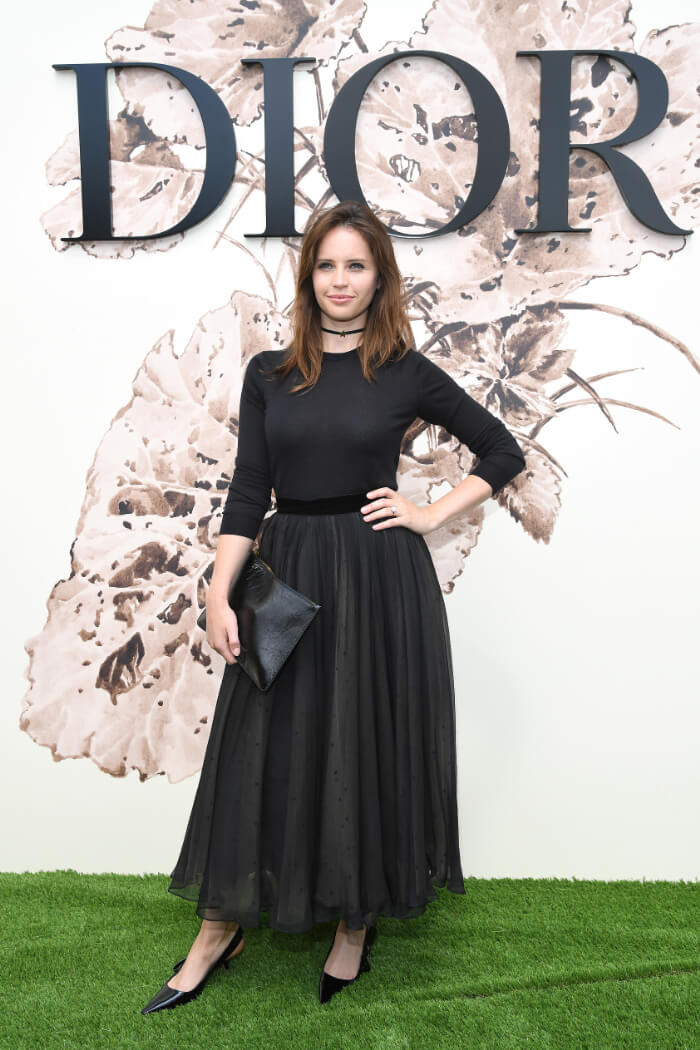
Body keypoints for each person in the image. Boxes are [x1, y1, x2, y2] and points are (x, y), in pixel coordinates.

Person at [141, 200, 526, 1014]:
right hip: (288, 572)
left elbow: (503, 449)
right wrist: (217, 591)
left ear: (379, 276)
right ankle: (218, 929)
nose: (340, 280)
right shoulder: (269, 374)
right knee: (259, 745)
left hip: (380, 580)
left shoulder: (405, 372)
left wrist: (428, 513)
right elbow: (251, 489)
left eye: (356, 265)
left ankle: (355, 923)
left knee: (363, 737)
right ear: (307, 275)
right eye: (326, 265)